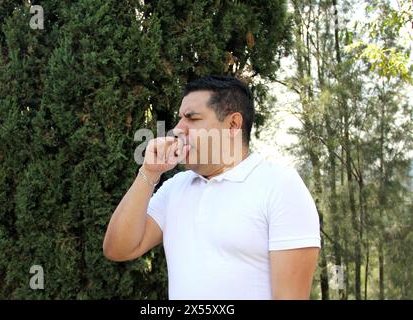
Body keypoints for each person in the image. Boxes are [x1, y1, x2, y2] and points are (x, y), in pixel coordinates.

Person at [103, 75, 321, 300]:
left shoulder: (280, 186)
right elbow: (118, 249)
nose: (178, 130)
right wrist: (149, 172)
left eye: (192, 118)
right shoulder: (175, 188)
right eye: (180, 119)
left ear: (233, 125)